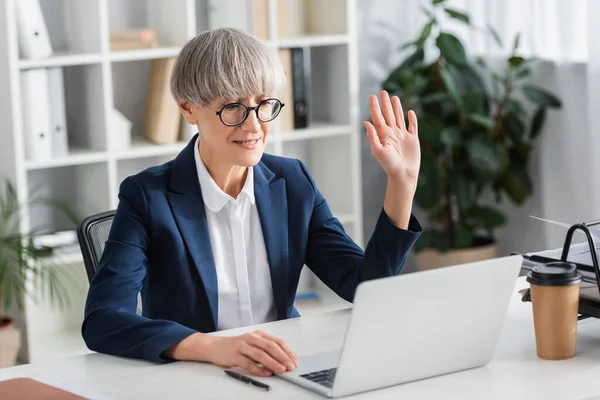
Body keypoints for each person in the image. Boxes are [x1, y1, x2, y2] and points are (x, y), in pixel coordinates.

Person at [82, 28, 422, 377]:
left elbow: (365, 285)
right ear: (188, 109)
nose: (254, 125)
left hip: (282, 369)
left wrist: (401, 182)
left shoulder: (292, 182)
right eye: (233, 107)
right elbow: (103, 320)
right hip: (194, 376)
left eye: (264, 105)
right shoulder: (147, 197)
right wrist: (212, 347)